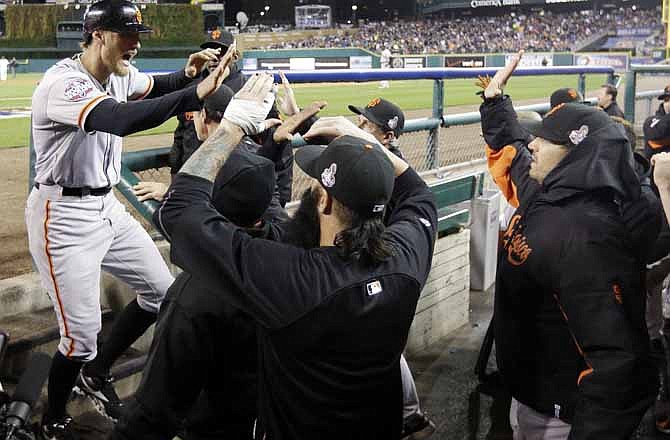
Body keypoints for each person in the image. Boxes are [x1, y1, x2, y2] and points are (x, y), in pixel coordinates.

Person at [145, 72, 438, 439]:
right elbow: (419, 196)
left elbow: (180, 212)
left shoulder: (292, 277)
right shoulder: (407, 256)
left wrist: (232, 127)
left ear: (325, 200)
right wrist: (368, 145)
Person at [25, 1, 232, 438]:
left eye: (139, 35)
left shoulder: (117, 73)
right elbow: (118, 119)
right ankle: (54, 417)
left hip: (107, 209)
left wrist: (189, 73)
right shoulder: (64, 82)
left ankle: (97, 372)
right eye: (127, 35)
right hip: (62, 216)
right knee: (80, 336)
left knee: (163, 293)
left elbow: (154, 86)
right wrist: (194, 94)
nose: (136, 44)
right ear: (98, 34)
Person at [113, 95, 325, 440]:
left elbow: (153, 412)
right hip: (273, 414)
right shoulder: (290, 243)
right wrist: (270, 149)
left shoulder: (195, 294)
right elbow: (265, 199)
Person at [478, 51, 656, 438]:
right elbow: (515, 144)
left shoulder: (588, 237)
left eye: (546, 139)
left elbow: (616, 362)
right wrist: (495, 101)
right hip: (531, 392)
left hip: (561, 417)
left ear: (578, 155)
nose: (534, 146)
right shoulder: (551, 191)